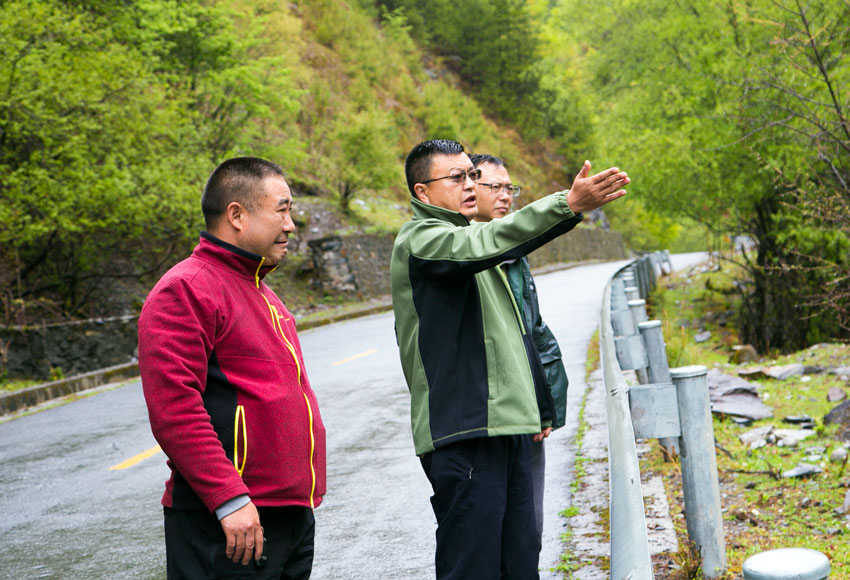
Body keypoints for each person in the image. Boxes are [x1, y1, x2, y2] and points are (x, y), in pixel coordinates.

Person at [390, 139, 628, 579]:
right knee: (474, 567)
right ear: (422, 191)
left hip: (508, 429)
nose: (470, 185)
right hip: (465, 432)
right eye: (457, 177)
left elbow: (522, 339)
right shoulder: (422, 240)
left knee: (520, 561)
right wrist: (567, 204)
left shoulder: (478, 250)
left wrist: (539, 408)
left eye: (472, 175)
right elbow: (488, 239)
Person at [138, 157, 327, 580]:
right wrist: (228, 498)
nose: (291, 225)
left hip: (287, 517)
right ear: (237, 215)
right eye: (282, 210)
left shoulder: (263, 291)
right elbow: (175, 409)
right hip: (229, 520)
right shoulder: (187, 288)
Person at [469, 153, 569, 548]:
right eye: (494, 187)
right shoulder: (455, 253)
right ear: (468, 188)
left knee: (528, 532)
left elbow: (533, 334)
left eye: (510, 188)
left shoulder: (514, 255)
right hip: (485, 417)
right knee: (486, 537)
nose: (506, 196)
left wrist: (543, 406)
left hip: (525, 416)